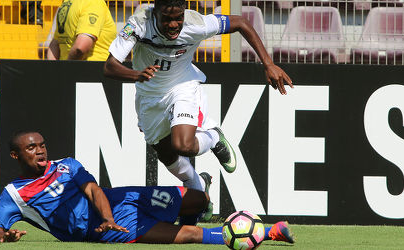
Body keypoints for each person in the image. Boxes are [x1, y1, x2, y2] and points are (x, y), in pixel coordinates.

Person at [103, 0, 293, 220]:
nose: (173, 24)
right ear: (155, 12)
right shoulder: (139, 24)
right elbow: (109, 66)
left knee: (182, 145)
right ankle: (199, 186)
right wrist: (137, 75)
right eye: (166, 18)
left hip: (182, 87)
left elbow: (241, 23)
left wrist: (268, 64)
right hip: (149, 97)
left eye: (178, 18)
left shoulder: (197, 23)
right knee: (166, 154)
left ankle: (213, 137)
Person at [0, 131, 295, 244]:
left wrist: (108, 213)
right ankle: (270, 232)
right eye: (31, 148)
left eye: (42, 144)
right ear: (16, 155)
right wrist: (5, 237)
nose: (40, 150)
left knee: (199, 200)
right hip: (106, 228)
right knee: (189, 235)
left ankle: (185, 213)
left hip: (120, 199)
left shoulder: (67, 164)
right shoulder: (14, 194)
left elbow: (94, 190)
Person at [47, 0, 117, 61]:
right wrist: (67, 69)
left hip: (68, 71)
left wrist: (55, 70)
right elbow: (80, 48)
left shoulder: (66, 3)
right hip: (92, 70)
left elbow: (55, 43)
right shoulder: (93, 3)